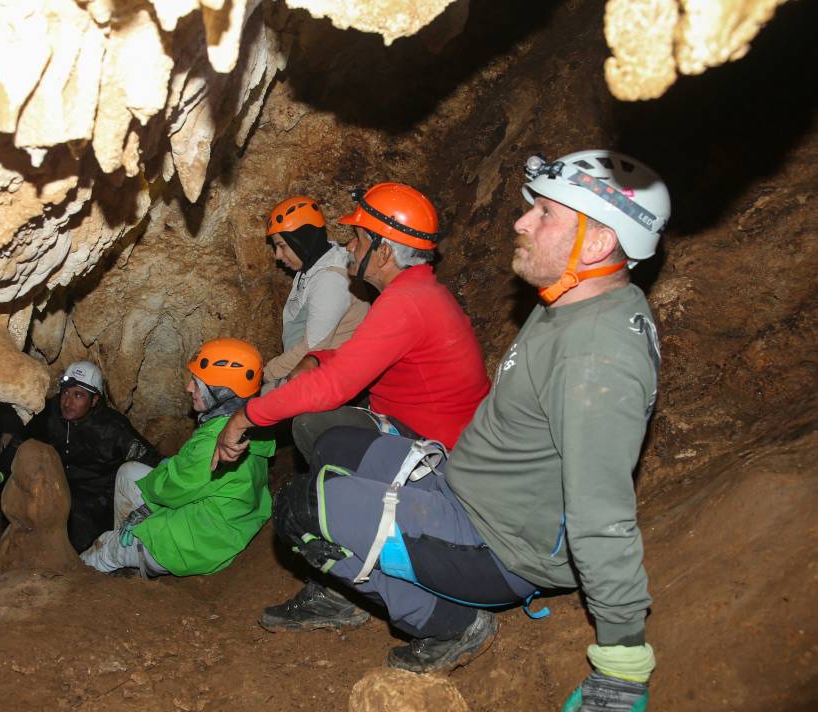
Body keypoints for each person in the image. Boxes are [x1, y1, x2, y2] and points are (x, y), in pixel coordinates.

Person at [266, 150, 669, 712]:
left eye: (546, 214)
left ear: (599, 243)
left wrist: (622, 667)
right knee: (336, 446)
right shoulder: (571, 305)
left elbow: (603, 516)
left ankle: (450, 622)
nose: (521, 221)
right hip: (464, 487)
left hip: (498, 546)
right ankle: (372, 569)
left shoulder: (597, 361)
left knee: (301, 511)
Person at [214, 182, 491, 464]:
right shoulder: (417, 293)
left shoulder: (405, 304)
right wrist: (318, 359)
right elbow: (366, 355)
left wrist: (244, 417)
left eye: (358, 239)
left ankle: (381, 498)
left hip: (441, 446)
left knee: (313, 425)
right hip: (434, 424)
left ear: (384, 253)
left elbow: (334, 385)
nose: (350, 246)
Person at [81, 338, 274, 578]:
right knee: (129, 472)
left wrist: (150, 505)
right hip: (228, 521)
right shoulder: (249, 423)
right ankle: (130, 556)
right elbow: (189, 479)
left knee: (105, 548)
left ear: (222, 392)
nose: (189, 388)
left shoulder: (215, 442)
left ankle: (106, 564)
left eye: (198, 383)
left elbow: (169, 489)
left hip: (197, 542)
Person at [0, 360, 160, 553]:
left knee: (73, 536)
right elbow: (20, 444)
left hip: (100, 499)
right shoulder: (48, 414)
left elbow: (151, 461)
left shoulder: (112, 428)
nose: (67, 402)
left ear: (94, 400)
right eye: (65, 392)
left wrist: (152, 504)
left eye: (78, 395)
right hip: (61, 490)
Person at [261, 196, 369, 389]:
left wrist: (266, 374)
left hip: (331, 378)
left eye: (282, 245)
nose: (278, 255)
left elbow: (314, 347)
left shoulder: (330, 280)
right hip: (310, 368)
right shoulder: (313, 265)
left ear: (302, 240)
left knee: (258, 403)